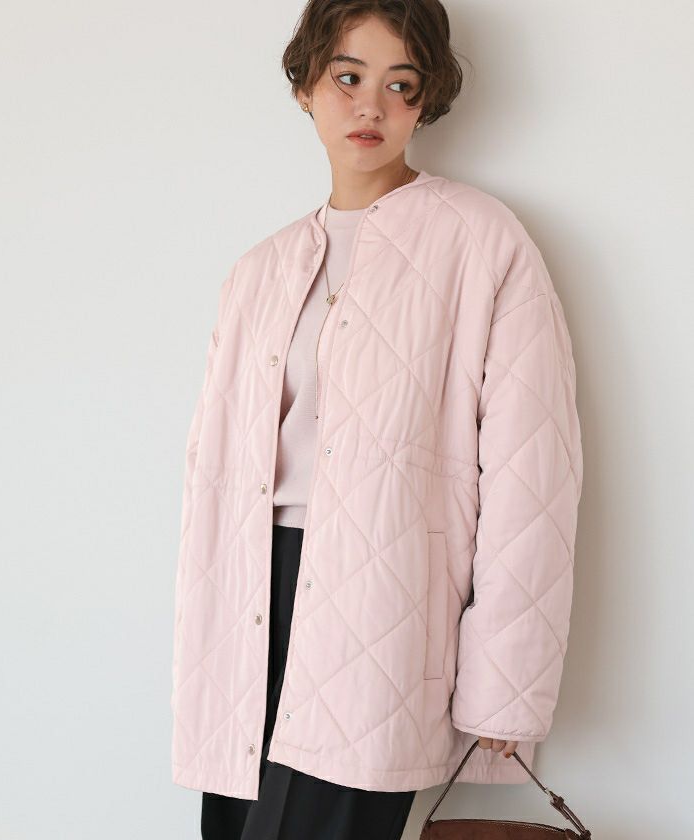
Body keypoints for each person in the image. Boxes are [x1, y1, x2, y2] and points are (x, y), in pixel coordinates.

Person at [170, 2, 584, 839]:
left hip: (383, 599)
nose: (371, 106)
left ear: (426, 99)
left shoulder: (480, 241)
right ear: (305, 87)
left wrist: (506, 684)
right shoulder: (259, 271)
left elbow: (532, 477)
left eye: (400, 84)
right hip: (252, 595)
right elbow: (212, 480)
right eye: (347, 77)